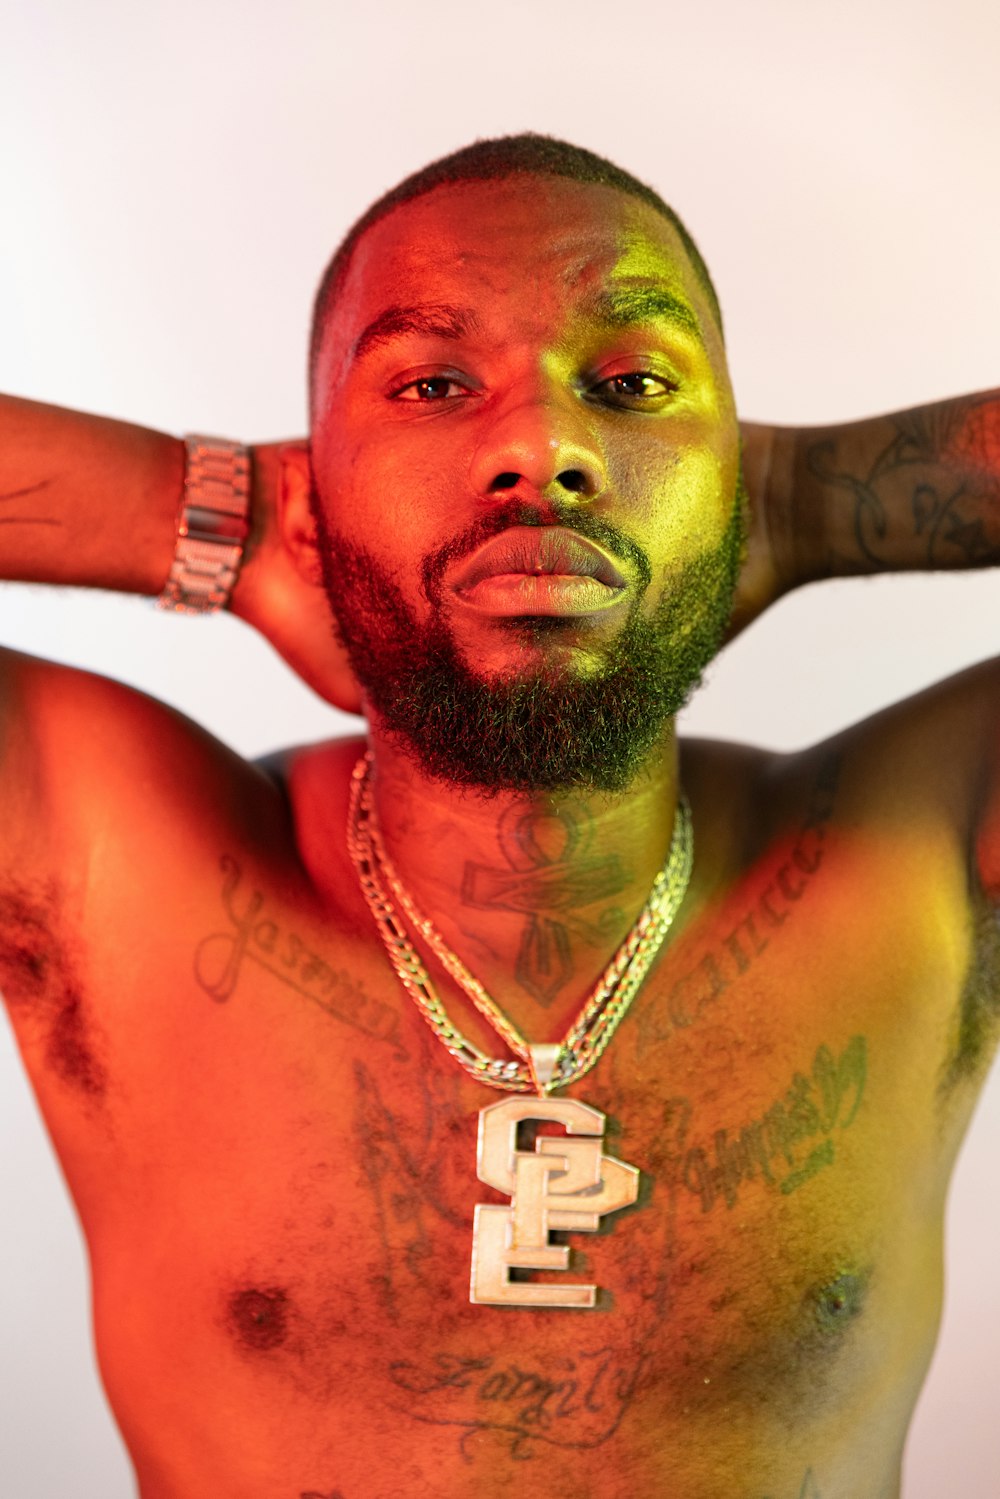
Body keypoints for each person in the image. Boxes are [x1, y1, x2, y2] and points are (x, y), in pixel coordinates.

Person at [2, 132, 998, 1499]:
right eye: (431, 382)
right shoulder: (104, 854)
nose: (542, 444)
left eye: (634, 384)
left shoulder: (928, 853)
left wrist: (804, 504)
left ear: (732, 465)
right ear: (316, 487)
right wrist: (222, 523)